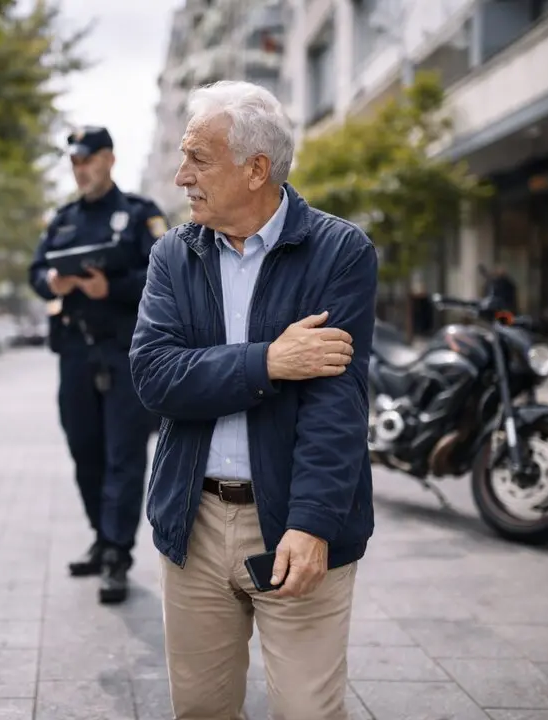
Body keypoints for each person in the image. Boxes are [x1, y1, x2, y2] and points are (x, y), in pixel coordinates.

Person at [129, 80, 377, 719]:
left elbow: (336, 402)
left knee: (308, 713)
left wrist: (313, 523)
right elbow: (155, 377)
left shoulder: (339, 251)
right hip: (194, 520)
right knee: (202, 713)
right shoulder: (172, 256)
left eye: (199, 159)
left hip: (294, 520)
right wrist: (270, 359)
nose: (181, 175)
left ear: (256, 168)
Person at [28, 125, 169, 604]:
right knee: (84, 450)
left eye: (87, 159)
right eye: (74, 161)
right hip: (75, 352)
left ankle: (117, 553)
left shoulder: (139, 215)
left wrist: (113, 288)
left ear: (109, 158)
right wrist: (54, 283)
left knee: (123, 457)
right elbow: (36, 272)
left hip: (125, 352)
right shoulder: (63, 218)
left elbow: (165, 273)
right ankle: (101, 534)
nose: (80, 168)